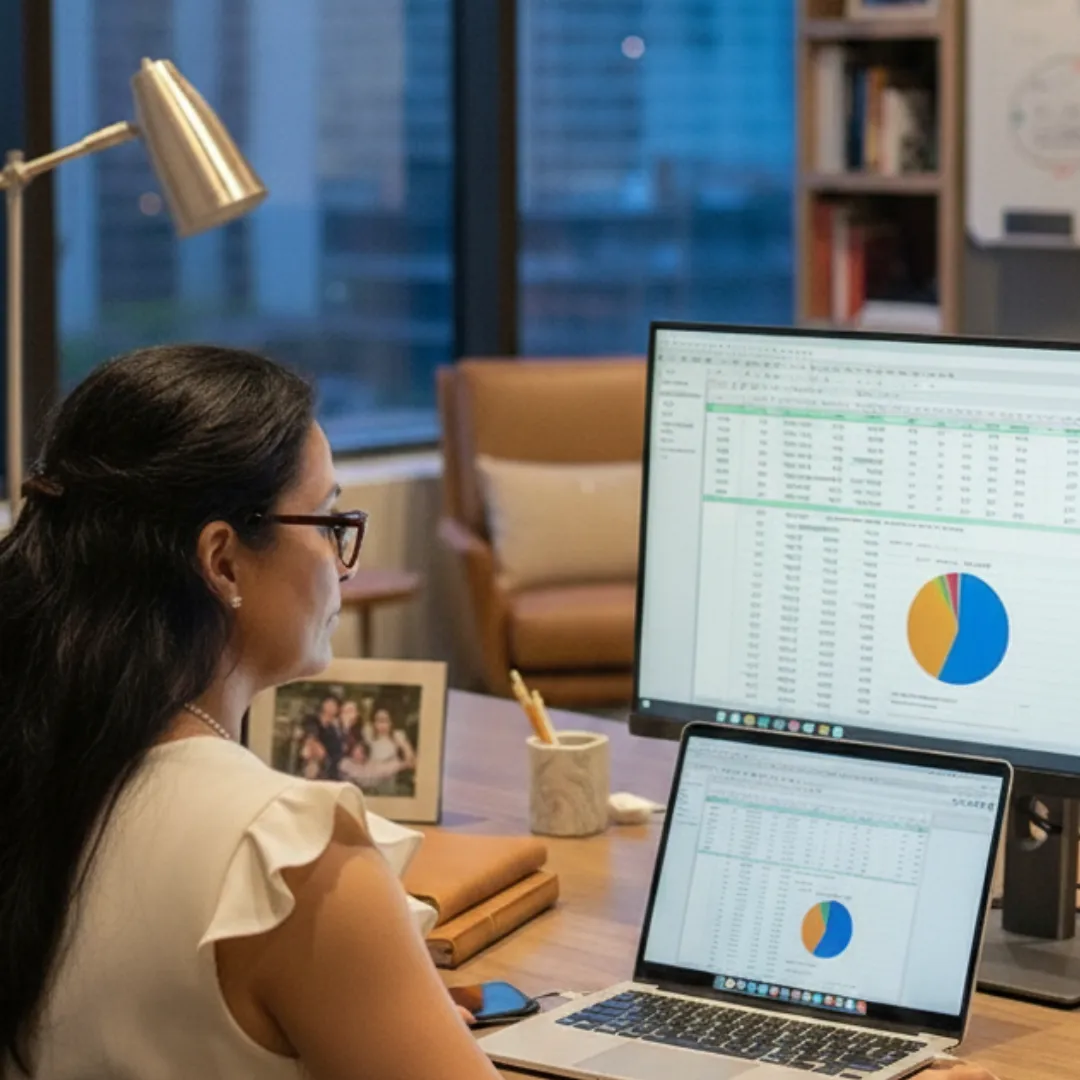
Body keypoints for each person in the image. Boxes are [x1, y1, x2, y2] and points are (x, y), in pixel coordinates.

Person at [0, 345, 499, 1078]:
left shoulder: (38, 764)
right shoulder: (288, 855)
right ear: (224, 561)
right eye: (328, 521)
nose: (342, 565)